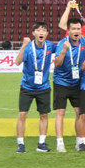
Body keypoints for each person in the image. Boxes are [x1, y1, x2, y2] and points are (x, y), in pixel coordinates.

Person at [52, 18, 85, 152]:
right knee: (61, 112)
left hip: (77, 83)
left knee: (80, 113)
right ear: (68, 31)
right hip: (61, 83)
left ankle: (80, 143)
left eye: (78, 29)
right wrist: (65, 50)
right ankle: (60, 143)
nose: (76, 31)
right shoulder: (62, 44)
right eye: (73, 29)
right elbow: (57, 64)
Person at [14, 22, 57, 153]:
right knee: (22, 114)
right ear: (33, 33)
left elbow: (62, 48)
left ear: (47, 34)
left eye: (44, 30)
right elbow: (17, 62)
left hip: (43, 87)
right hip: (27, 86)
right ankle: (20, 144)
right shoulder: (28, 47)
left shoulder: (50, 46)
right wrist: (23, 46)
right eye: (38, 30)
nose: (41, 32)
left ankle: (41, 143)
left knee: (44, 115)